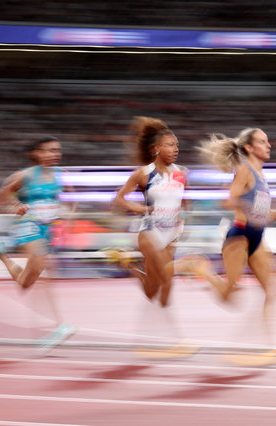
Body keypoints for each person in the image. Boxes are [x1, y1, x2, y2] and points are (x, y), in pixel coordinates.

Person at [197, 128, 276, 366]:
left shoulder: (262, 176)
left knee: (272, 290)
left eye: (268, 140)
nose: (268, 145)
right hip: (239, 236)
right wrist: (252, 211)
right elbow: (228, 199)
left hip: (257, 237)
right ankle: (201, 270)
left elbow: (258, 211)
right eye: (263, 141)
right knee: (229, 297)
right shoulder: (245, 170)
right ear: (249, 148)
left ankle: (269, 346)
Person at [110, 116, 201, 358]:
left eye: (177, 146)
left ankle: (128, 264)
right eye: (170, 145)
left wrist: (185, 219)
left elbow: (186, 199)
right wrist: (138, 209)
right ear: (156, 148)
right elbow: (118, 199)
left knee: (154, 291)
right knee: (167, 277)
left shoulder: (183, 173)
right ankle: (177, 339)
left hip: (172, 233)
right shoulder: (143, 174)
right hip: (149, 231)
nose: (175, 149)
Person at [0, 136, 76, 351]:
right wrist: (16, 206)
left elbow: (71, 199)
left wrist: (69, 215)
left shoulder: (63, 175)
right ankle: (59, 325)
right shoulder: (23, 176)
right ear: (37, 154)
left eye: (57, 150)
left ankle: (1, 253)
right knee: (46, 268)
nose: (55, 154)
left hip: (48, 228)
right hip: (27, 225)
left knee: (25, 283)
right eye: (49, 150)